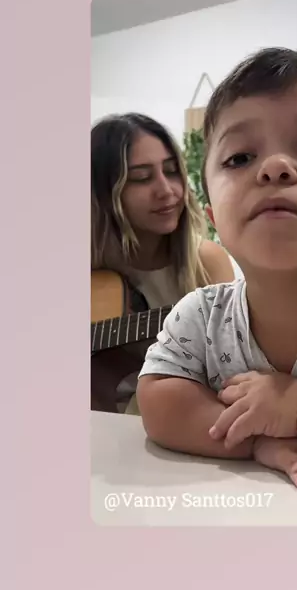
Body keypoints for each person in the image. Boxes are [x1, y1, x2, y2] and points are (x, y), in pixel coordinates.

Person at [136, 49, 297, 491]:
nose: (274, 168)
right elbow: (159, 398)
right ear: (214, 221)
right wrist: (254, 440)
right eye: (240, 158)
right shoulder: (200, 315)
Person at [91, 113, 234, 412]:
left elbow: (230, 367)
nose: (167, 190)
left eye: (171, 172)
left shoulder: (205, 262)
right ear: (102, 193)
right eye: (142, 178)